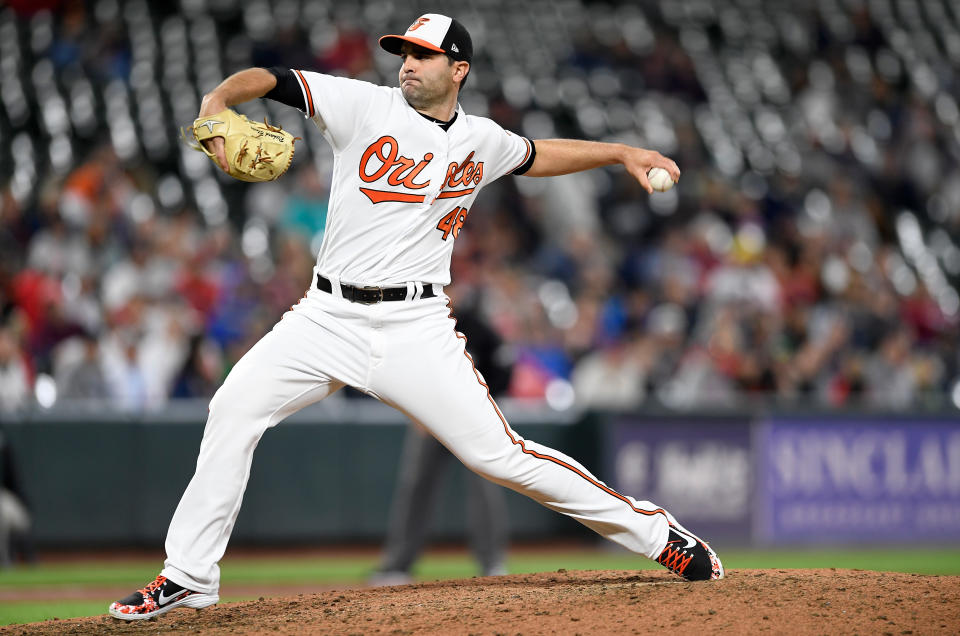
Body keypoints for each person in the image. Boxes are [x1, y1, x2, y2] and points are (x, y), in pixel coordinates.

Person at [109, 13, 723, 621]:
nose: (408, 62)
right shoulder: (362, 106)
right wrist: (217, 101)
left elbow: (538, 154)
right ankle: (189, 578)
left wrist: (621, 153)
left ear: (458, 69)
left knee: (499, 457)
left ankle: (658, 535)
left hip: (415, 326)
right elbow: (269, 79)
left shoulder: (481, 139)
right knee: (232, 408)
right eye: (404, 52)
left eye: (424, 54)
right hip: (326, 316)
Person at [370, 288, 511, 585]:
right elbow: (404, 373)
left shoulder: (477, 326)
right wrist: (416, 412)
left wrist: (485, 405)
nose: (449, 292)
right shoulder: (422, 325)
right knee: (415, 488)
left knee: (485, 488)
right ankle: (398, 564)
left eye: (453, 286)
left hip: (473, 421)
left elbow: (504, 369)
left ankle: (492, 562)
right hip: (432, 419)